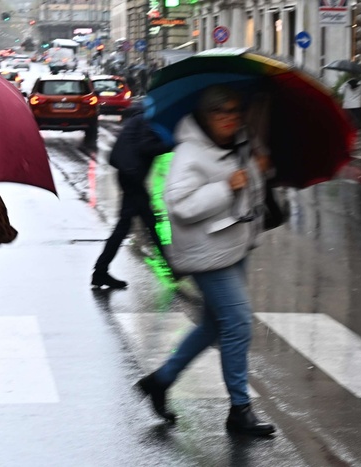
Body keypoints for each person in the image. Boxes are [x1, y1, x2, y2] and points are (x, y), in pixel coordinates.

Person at [135, 85, 276, 437]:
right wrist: (227, 186)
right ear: (204, 115)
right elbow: (180, 205)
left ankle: (161, 380)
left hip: (234, 245)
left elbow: (249, 192)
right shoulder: (190, 153)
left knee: (216, 324)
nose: (230, 118)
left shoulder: (241, 142)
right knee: (239, 323)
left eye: (235, 111)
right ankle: (239, 410)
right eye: (221, 112)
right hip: (206, 252)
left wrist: (258, 170)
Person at [92, 103, 174, 288]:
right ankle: (173, 267)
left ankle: (100, 271)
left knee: (143, 222)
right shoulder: (148, 120)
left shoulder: (141, 117)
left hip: (128, 173)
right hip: (132, 175)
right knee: (137, 224)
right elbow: (146, 146)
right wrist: (170, 144)